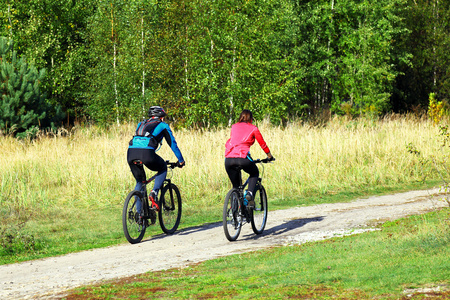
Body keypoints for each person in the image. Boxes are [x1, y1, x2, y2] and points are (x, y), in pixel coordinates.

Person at [127, 106, 185, 221]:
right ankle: (154, 193)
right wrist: (181, 160)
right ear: (161, 117)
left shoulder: (141, 124)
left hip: (131, 153)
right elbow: (172, 144)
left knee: (140, 181)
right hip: (147, 153)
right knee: (163, 167)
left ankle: (139, 216)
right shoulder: (163, 125)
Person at [224, 109, 274, 208]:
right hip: (243, 158)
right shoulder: (253, 128)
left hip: (228, 159)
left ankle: (235, 209)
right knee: (254, 173)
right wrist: (269, 156)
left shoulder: (234, 127)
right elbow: (262, 144)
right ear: (251, 119)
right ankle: (250, 194)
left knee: (237, 187)